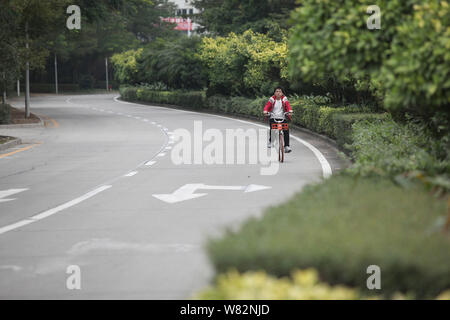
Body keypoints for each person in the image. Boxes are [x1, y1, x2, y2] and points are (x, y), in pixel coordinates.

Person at [263, 87, 293, 153]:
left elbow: (288, 105)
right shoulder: (272, 99)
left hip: (283, 117)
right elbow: (267, 106)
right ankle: (271, 141)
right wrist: (265, 111)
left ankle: (286, 146)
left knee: (286, 130)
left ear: (282, 93)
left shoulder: (284, 99)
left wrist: (290, 111)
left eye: (280, 91)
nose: (278, 93)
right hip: (273, 117)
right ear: (274, 93)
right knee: (272, 129)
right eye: (277, 91)